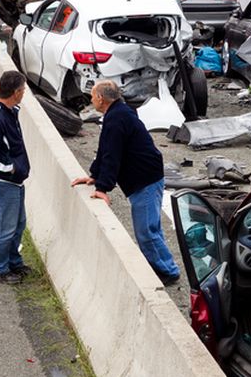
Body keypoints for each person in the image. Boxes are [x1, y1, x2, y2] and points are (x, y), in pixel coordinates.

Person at [71, 81, 181, 285]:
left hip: (145, 181)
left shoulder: (116, 119)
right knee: (150, 228)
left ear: (101, 99)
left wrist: (103, 188)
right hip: (145, 177)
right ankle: (160, 264)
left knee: (147, 231)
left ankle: (168, 271)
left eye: (93, 96)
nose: (91, 99)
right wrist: (95, 175)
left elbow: (112, 155)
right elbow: (105, 149)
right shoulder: (119, 113)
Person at [0, 70, 31, 284]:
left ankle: (13, 262)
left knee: (18, 224)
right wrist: (10, 169)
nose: (24, 93)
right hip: (3, 183)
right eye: (24, 90)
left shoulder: (10, 111)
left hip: (14, 181)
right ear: (17, 92)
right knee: (4, 227)